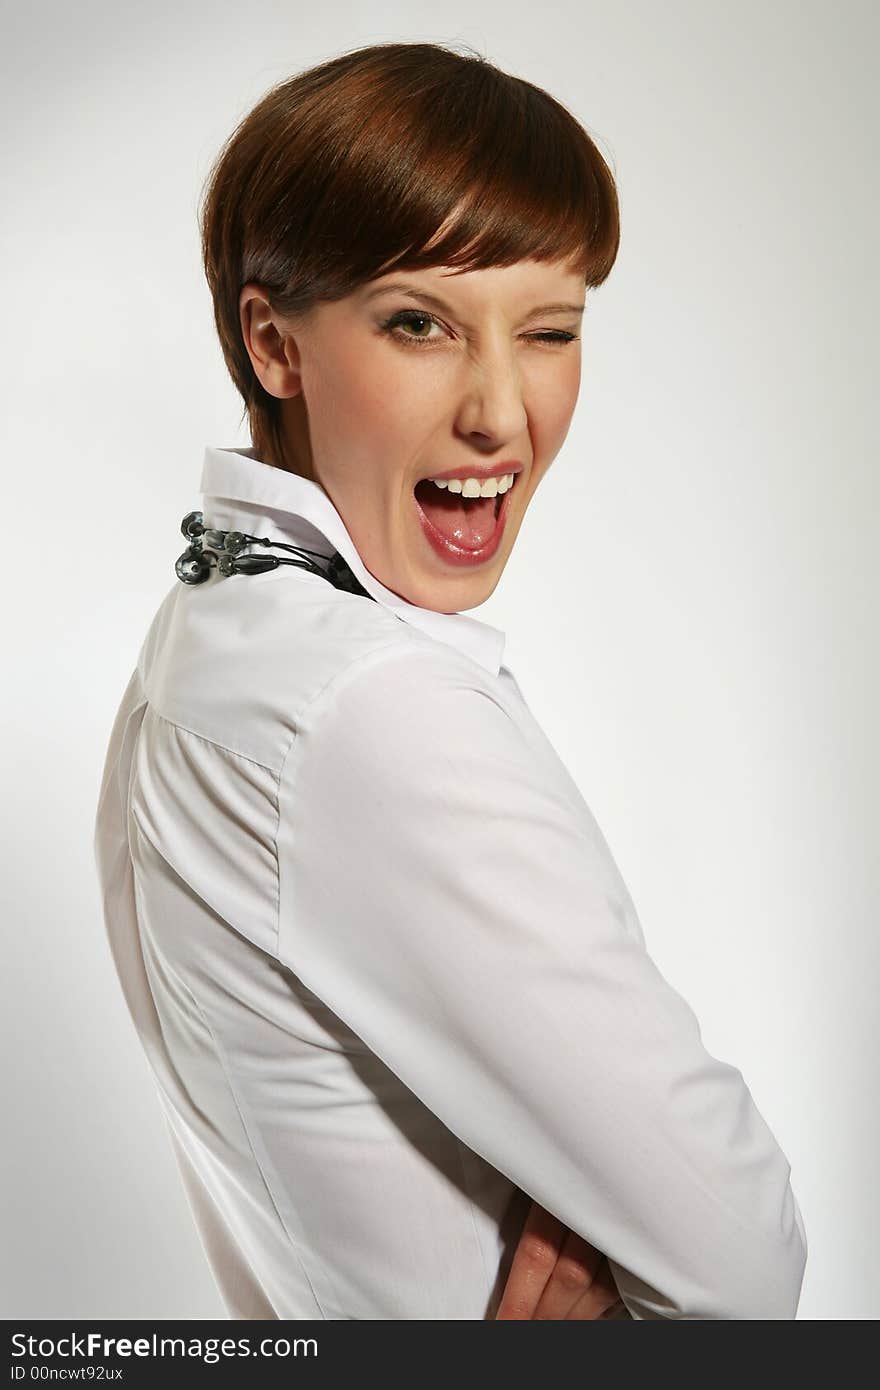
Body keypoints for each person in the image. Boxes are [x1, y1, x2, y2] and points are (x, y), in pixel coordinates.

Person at [92, 40, 808, 1320]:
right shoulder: (367, 707)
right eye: (418, 323)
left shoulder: (202, 631)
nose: (498, 410)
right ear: (274, 343)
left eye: (548, 331)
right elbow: (745, 1263)